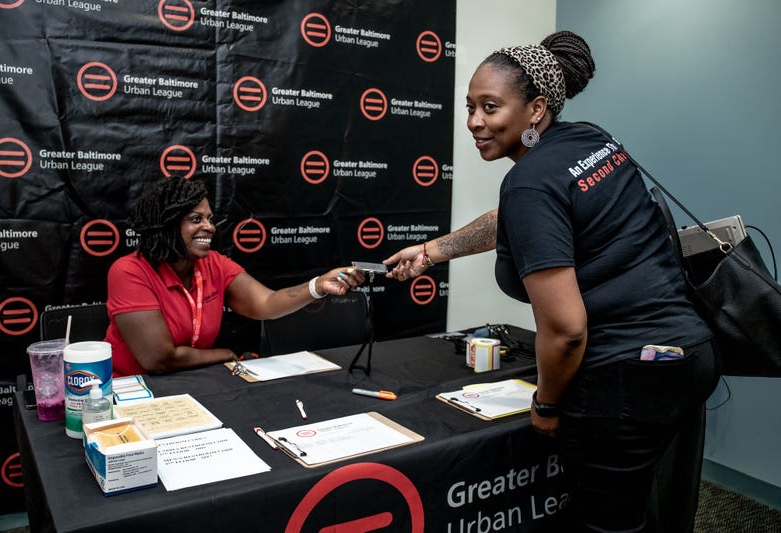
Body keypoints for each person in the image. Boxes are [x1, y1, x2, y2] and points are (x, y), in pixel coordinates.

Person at [386, 31, 719, 532]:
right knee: (643, 506)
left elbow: (566, 329)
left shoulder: (530, 181)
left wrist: (546, 403)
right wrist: (434, 251)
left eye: (490, 107)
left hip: (626, 376)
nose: (475, 122)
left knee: (606, 523)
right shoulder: (590, 140)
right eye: (470, 106)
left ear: (537, 108)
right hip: (689, 354)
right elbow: (523, 218)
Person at [104, 177, 364, 377]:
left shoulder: (214, 263)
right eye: (196, 219)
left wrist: (318, 285)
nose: (209, 227)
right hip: (134, 390)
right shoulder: (129, 271)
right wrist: (225, 355)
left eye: (209, 218)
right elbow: (159, 360)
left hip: (193, 383)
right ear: (168, 224)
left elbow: (266, 303)